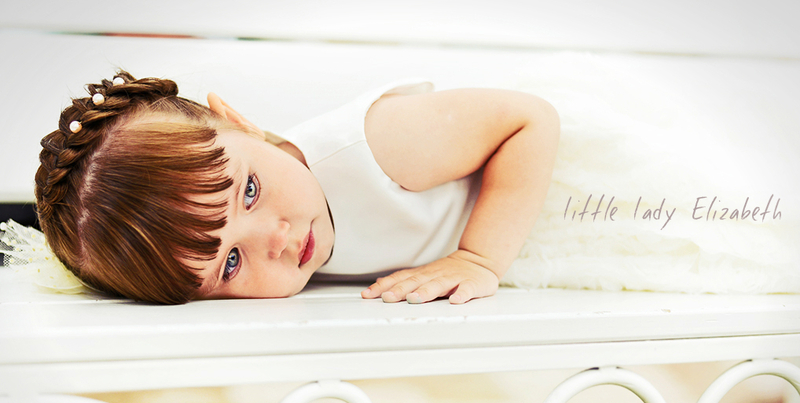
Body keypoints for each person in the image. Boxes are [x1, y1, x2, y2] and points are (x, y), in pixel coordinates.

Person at [30, 70, 560, 305]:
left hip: (565, 186)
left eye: (249, 191)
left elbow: (528, 120)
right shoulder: (295, 239)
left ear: (238, 123)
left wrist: (477, 259)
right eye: (230, 263)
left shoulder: (373, 146)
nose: (276, 240)